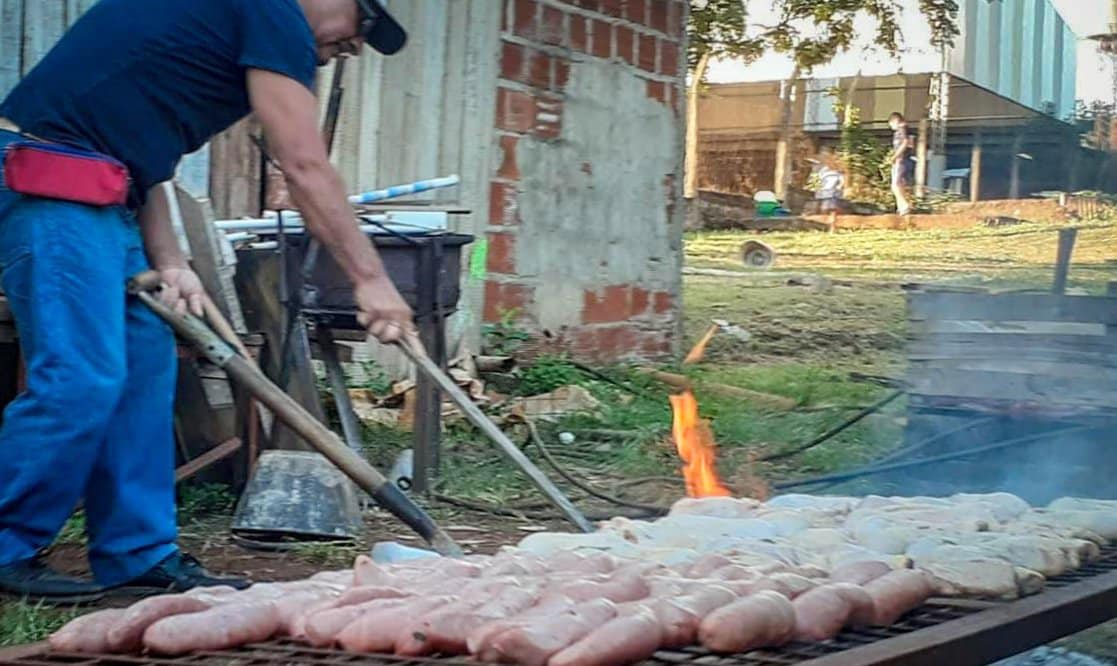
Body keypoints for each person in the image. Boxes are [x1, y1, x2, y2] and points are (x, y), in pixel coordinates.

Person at [0, 0, 415, 602]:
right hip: (52, 179)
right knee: (81, 377)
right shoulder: (272, 13)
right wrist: (370, 279)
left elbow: (139, 152)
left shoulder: (220, 22)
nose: (351, 47)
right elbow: (302, 163)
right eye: (361, 24)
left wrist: (170, 262)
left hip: (106, 190)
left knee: (144, 370)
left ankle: (136, 552)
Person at [887, 112, 913, 215]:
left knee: (895, 185)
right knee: (900, 184)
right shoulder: (907, 130)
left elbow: (905, 143)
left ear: (895, 121)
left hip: (901, 160)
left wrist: (895, 156)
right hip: (904, 159)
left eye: (891, 124)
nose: (891, 127)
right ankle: (901, 208)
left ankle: (904, 206)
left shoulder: (901, 130)